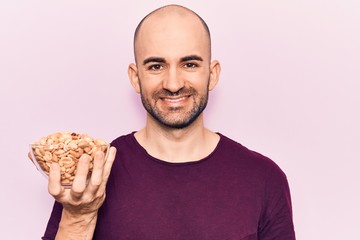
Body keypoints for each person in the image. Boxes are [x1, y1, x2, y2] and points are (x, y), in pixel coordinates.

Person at [40, 4, 296, 240]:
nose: (173, 84)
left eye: (190, 64)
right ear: (135, 77)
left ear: (212, 73)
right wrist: (78, 218)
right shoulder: (94, 174)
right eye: (155, 67)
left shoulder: (264, 178)